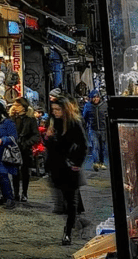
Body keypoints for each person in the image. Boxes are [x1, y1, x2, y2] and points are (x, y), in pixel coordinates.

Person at [45, 95, 88, 245]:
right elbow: (51, 147)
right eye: (53, 109)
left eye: (58, 109)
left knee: (71, 201)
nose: (55, 112)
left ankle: (68, 232)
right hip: (57, 167)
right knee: (64, 199)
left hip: (70, 167)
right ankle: (75, 222)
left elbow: (83, 145)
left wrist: (77, 162)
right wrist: (48, 138)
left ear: (65, 109)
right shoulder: (54, 122)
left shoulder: (73, 123)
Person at [0, 100, 19, 209]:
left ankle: (10, 198)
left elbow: (14, 137)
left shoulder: (8, 123)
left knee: (4, 175)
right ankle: (5, 197)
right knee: (0, 176)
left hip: (4, 153)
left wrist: (3, 140)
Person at [9, 97, 41, 203]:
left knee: (25, 171)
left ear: (23, 107)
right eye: (14, 105)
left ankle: (24, 193)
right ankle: (16, 193)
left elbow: (36, 136)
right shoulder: (12, 118)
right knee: (15, 172)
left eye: (17, 105)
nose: (15, 107)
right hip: (14, 148)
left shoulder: (30, 119)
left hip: (25, 149)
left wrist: (26, 143)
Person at [82, 89, 108, 171]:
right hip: (92, 129)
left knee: (102, 147)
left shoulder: (104, 105)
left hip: (103, 129)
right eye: (94, 97)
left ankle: (102, 162)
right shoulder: (88, 106)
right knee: (95, 146)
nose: (96, 99)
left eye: (97, 97)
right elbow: (84, 117)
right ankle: (96, 163)